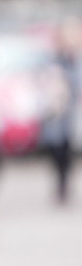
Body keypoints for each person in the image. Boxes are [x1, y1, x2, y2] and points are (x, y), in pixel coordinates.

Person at [39, 19, 80, 204]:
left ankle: (64, 186)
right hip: (55, 114)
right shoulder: (53, 58)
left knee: (67, 152)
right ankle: (60, 184)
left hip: (70, 115)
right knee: (56, 151)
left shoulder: (75, 59)